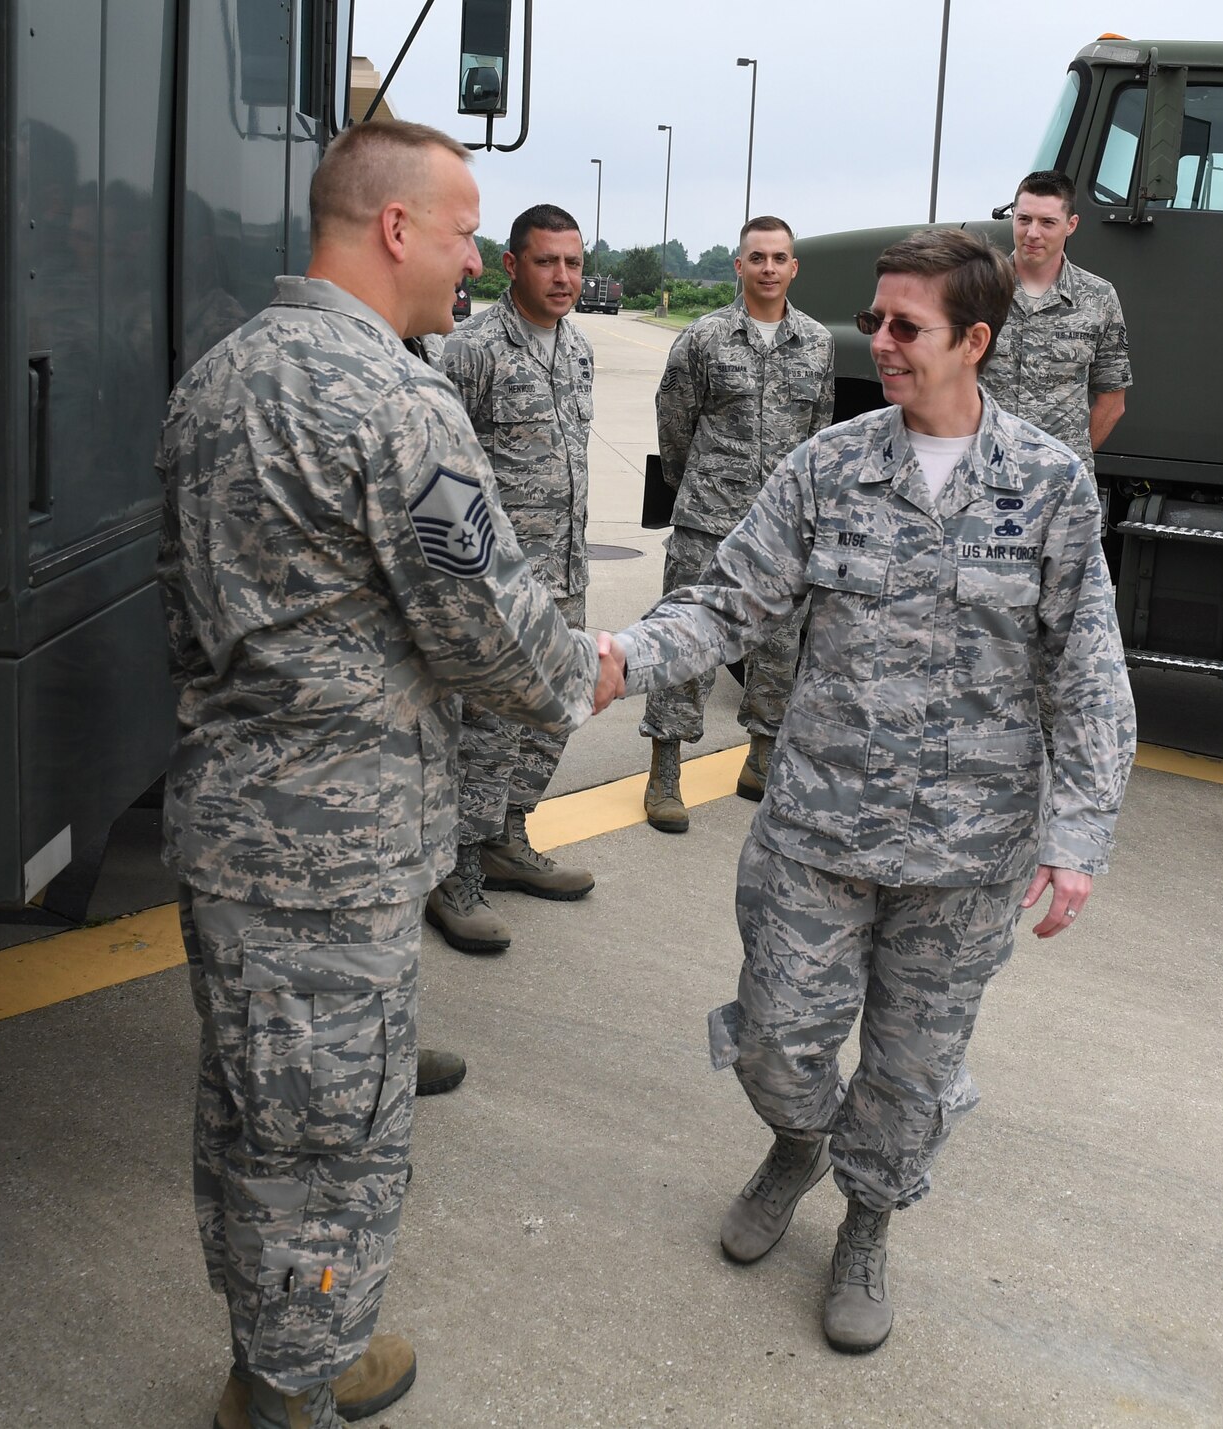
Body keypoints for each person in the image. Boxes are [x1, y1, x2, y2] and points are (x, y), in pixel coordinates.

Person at [598, 229, 1137, 1353]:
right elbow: (724, 602)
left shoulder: (1049, 487)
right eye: (874, 321)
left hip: (967, 848)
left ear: (974, 341)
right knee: (776, 1043)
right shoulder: (826, 467)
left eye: (905, 327)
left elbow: (1089, 668)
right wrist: (624, 657)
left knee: (911, 1071)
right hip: (817, 828)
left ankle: (867, 1222)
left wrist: (1075, 836)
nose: (877, 342)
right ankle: (797, 1143)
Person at [156, 119, 611, 1429]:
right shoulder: (398, 402)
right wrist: (592, 666)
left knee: (248, 1115)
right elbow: (497, 641)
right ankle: (291, 1387)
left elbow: (182, 620)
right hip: (338, 857)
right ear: (396, 228)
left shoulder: (215, 379)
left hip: (230, 823)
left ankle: (272, 1350)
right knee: (333, 1140)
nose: (478, 257)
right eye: (467, 231)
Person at [428, 204, 598, 953]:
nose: (563, 277)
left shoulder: (579, 348)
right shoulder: (469, 352)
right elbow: (436, 474)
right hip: (496, 585)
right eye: (547, 261)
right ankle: (455, 872)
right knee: (485, 732)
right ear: (511, 264)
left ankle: (506, 835)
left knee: (555, 712)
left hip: (565, 572)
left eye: (574, 263)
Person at [640, 216, 836, 832]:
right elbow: (674, 425)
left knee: (779, 650)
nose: (769, 268)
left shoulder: (818, 343)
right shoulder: (704, 338)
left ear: (794, 267)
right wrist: (696, 489)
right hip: (709, 521)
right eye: (758, 258)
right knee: (687, 643)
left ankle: (762, 759)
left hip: (784, 526)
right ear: (739, 265)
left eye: (780, 258)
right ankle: (666, 771)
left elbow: (817, 434)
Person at [979, 169, 1131, 481]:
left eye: (1047, 222)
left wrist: (1070, 459)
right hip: (982, 474)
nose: (1033, 233)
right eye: (1024, 220)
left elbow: (1112, 402)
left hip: (1060, 484)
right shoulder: (978, 290)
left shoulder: (1098, 298)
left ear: (1070, 225)